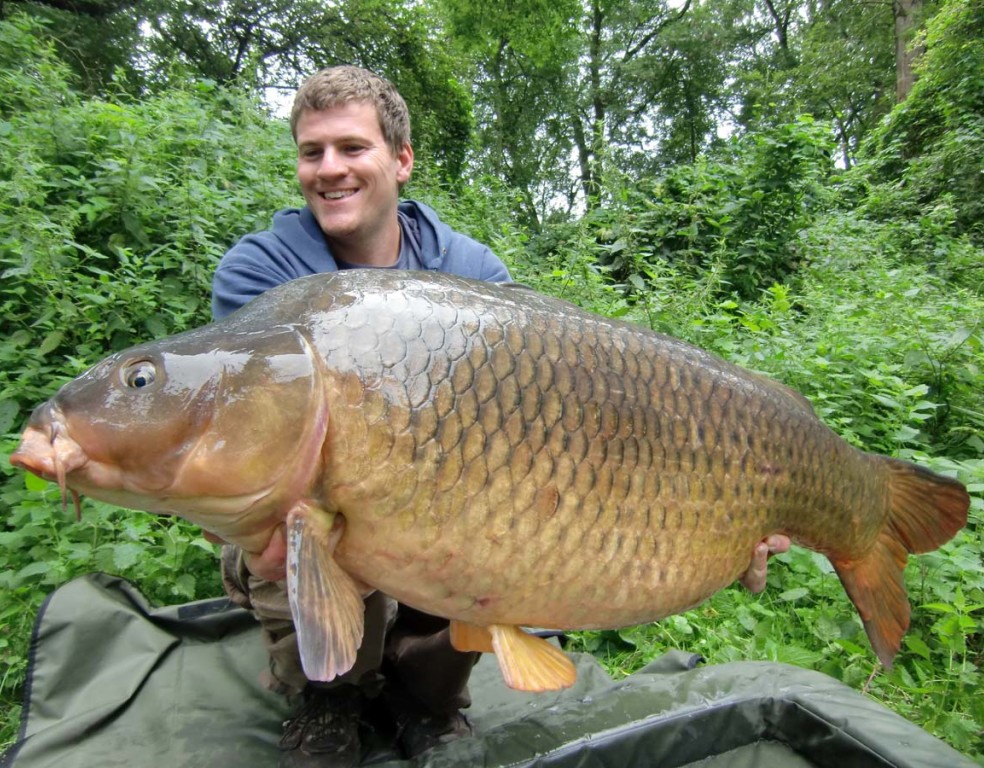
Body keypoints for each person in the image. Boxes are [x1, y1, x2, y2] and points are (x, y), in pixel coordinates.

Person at [209, 65, 790, 768]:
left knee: (502, 513)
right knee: (291, 515)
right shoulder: (263, 272)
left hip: (447, 486)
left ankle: (426, 697)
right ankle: (330, 697)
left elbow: (548, 418)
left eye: (352, 148)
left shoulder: (468, 269)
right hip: (321, 484)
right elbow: (243, 424)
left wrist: (719, 512)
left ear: (401, 159)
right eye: (312, 152)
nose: (330, 169)